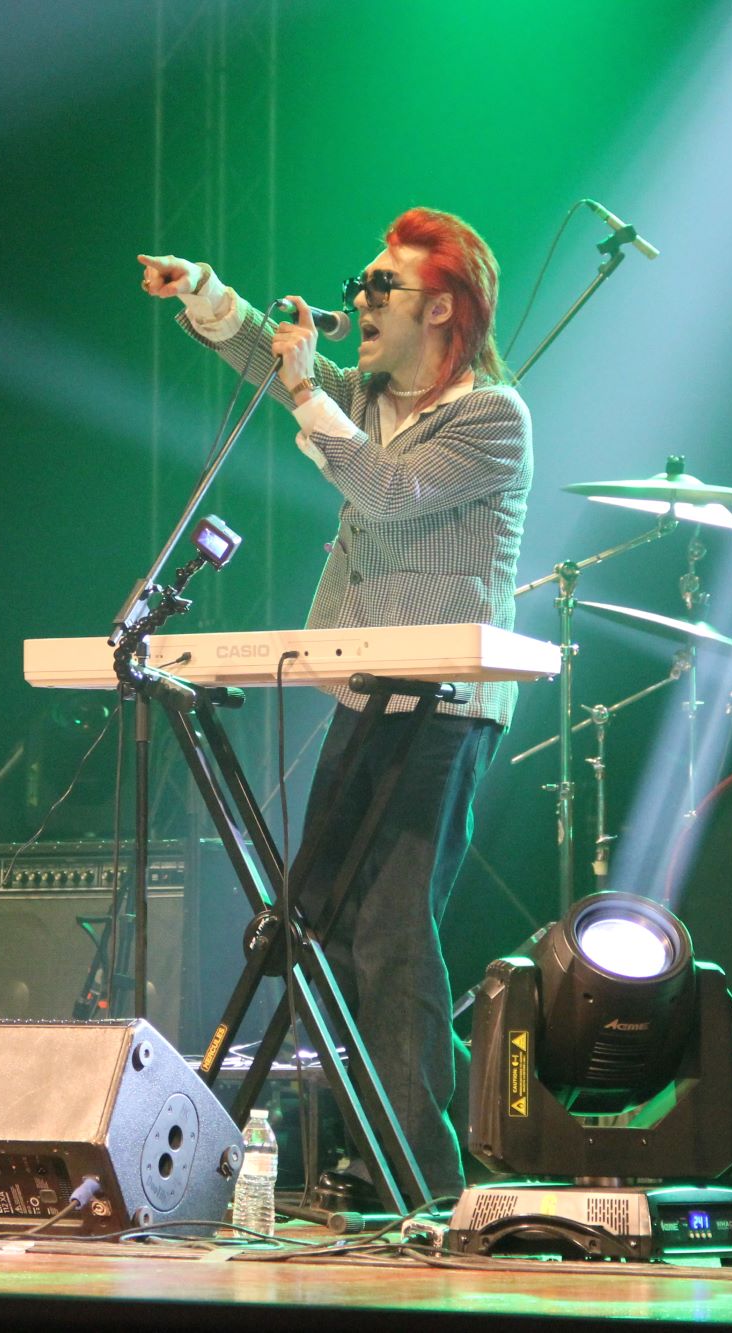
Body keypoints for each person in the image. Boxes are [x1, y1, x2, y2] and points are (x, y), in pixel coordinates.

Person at [137, 206, 531, 1199]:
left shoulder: (491, 417)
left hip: (443, 701)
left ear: (440, 308)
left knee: (392, 923)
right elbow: (265, 362)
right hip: (364, 690)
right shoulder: (364, 395)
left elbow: (388, 490)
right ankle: (370, 1147)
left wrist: (311, 387)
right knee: (317, 921)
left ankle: (419, 1172)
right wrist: (205, 291)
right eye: (359, 283)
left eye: (380, 285)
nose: (358, 299)